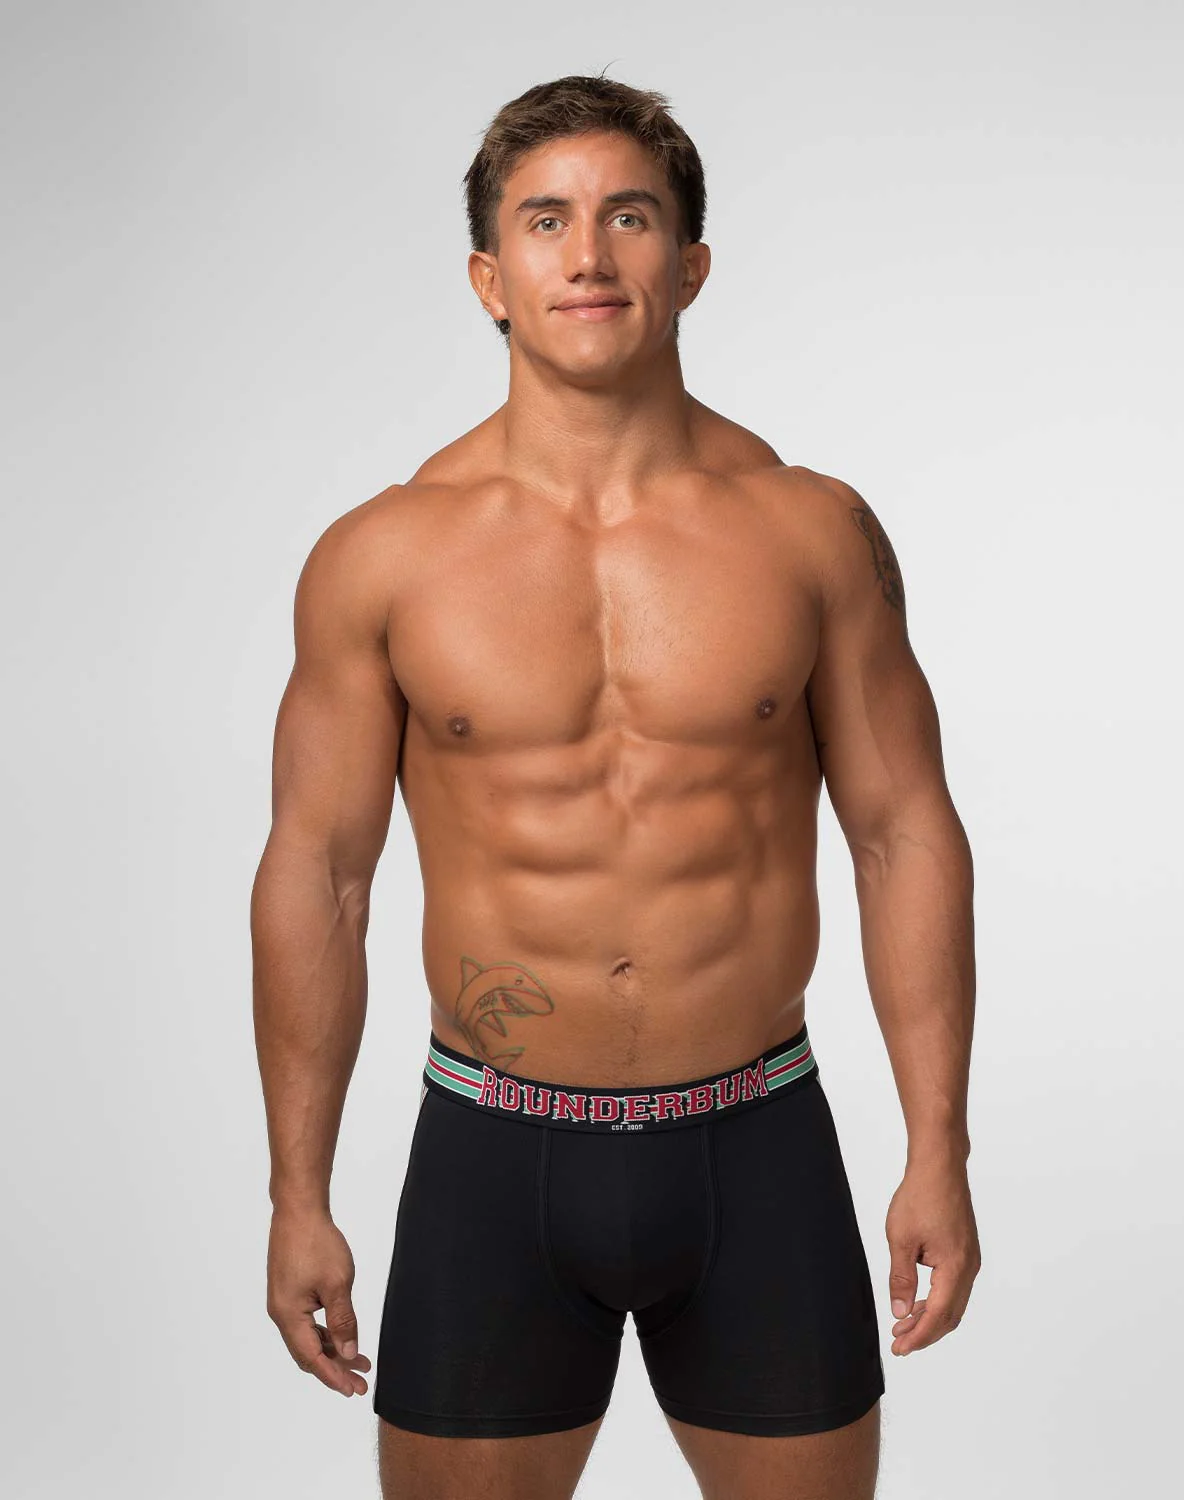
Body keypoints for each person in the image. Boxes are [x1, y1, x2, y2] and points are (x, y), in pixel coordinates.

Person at [251, 71, 980, 1500]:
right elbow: (320, 874)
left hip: (758, 1145)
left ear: (690, 263)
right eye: (545, 221)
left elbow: (903, 834)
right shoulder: (383, 556)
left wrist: (937, 1148)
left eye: (628, 217)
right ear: (490, 278)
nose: (587, 255)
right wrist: (297, 1194)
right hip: (493, 1154)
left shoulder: (809, 531)